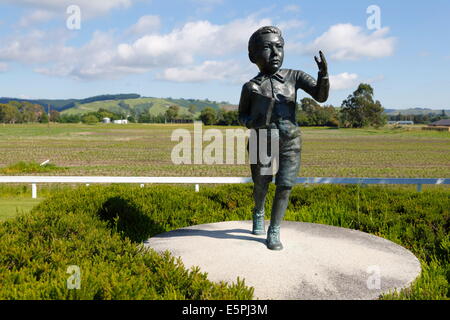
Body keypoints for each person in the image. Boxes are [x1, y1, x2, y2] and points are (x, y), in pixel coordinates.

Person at [238, 26, 329, 250]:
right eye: (268, 48)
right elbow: (242, 116)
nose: (275, 53)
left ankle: (274, 230)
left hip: (290, 140)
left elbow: (320, 96)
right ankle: (258, 212)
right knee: (261, 183)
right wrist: (253, 122)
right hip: (262, 140)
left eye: (279, 47)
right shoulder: (250, 87)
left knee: (285, 185)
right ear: (253, 56)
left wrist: (323, 75)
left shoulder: (294, 76)